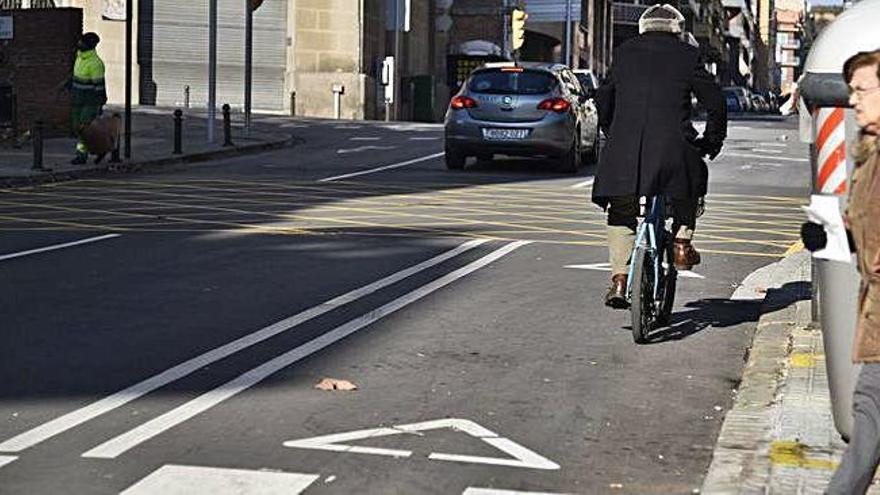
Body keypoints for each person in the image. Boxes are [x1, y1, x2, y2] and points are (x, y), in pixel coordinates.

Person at [592, 4, 728, 308]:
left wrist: (612, 132)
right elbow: (716, 102)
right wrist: (712, 141)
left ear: (643, 27)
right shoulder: (687, 55)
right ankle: (681, 243)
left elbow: (604, 98)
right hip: (672, 148)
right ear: (677, 30)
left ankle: (619, 279)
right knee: (689, 185)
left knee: (622, 210)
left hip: (623, 152)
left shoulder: (623, 53)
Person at [801, 49, 880, 495]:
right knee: (868, 421)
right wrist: (833, 235)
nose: (854, 101)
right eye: (850, 91)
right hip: (875, 318)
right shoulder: (871, 153)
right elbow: (864, 226)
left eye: (863, 90)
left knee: (868, 419)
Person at [64, 32, 108, 165]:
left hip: (90, 102)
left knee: (84, 128)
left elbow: (99, 86)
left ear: (89, 45)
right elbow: (75, 75)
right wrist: (67, 83)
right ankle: (101, 148)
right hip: (77, 99)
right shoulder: (79, 58)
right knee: (77, 127)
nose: (79, 44)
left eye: (82, 42)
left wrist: (100, 103)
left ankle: (81, 155)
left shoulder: (96, 64)